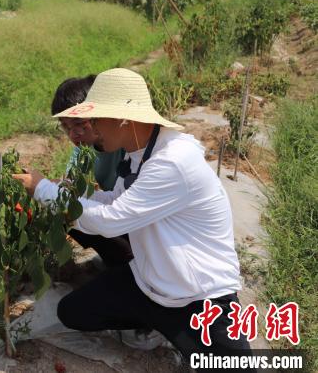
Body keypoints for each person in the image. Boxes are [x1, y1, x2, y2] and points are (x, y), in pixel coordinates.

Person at [14, 68, 252, 365]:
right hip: (151, 281)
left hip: (198, 297)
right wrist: (65, 191)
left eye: (97, 120)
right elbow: (115, 199)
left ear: (123, 119)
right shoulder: (137, 151)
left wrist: (44, 190)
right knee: (73, 312)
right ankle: (159, 325)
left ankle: (176, 331)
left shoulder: (173, 161)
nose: (95, 130)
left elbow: (111, 219)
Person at [51, 76, 131, 267]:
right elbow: (70, 185)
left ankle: (127, 263)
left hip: (136, 217)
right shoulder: (82, 149)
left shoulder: (124, 144)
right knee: (63, 207)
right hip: (120, 214)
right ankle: (117, 260)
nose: (73, 134)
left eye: (80, 124)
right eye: (66, 127)